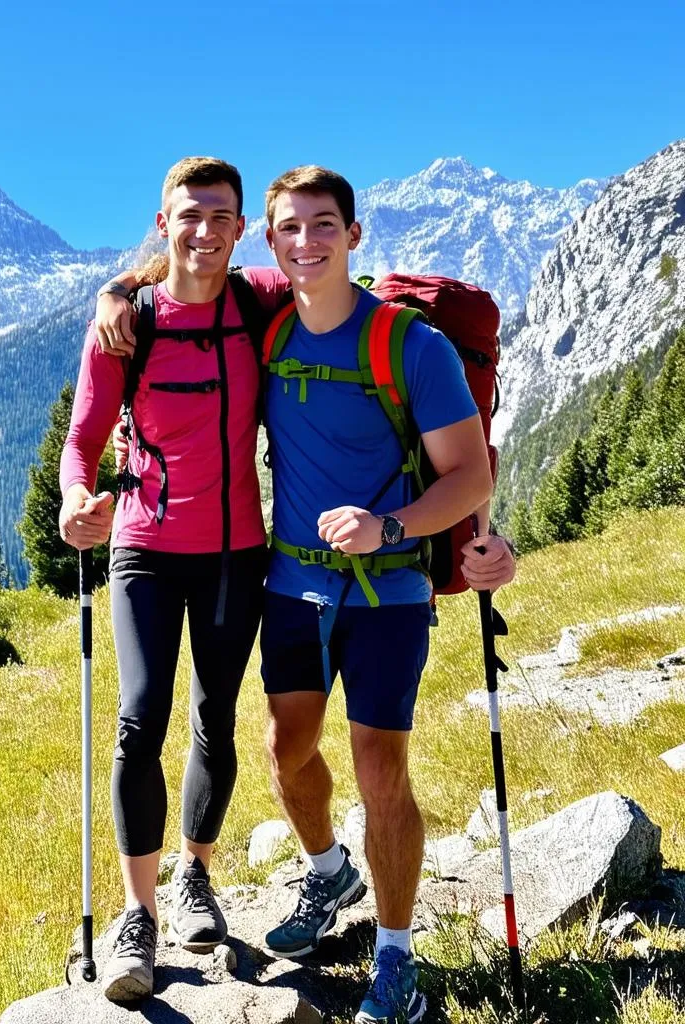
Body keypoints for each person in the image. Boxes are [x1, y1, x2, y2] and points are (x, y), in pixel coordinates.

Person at [94, 164, 512, 1023]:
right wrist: (116, 286)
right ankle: (328, 873)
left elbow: (470, 473)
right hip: (289, 583)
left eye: (325, 227)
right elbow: (185, 266)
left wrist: (403, 530)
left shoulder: (411, 346)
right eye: (290, 229)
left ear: (354, 238)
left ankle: (396, 963)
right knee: (288, 753)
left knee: (378, 767)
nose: (307, 242)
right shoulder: (268, 323)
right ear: (270, 241)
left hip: (388, 589)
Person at [58, 156, 287, 1003]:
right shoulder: (127, 324)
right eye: (189, 215)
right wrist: (75, 499)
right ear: (165, 224)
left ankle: (196, 874)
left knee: (215, 718)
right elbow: (82, 441)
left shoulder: (260, 300)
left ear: (240, 228)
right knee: (139, 715)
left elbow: (327, 276)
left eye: (221, 216)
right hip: (146, 546)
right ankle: (138, 913)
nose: (205, 229)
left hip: (235, 553)